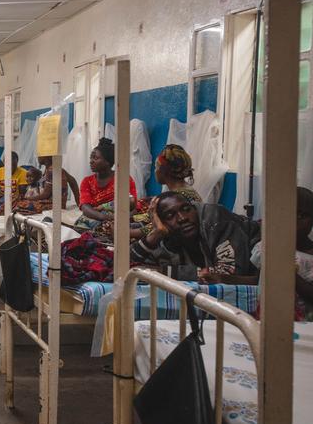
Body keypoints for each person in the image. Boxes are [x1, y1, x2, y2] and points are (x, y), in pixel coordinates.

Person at [131, 191, 260, 284]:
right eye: (170, 215)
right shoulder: (165, 236)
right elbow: (125, 268)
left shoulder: (215, 220)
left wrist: (165, 272)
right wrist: (156, 234)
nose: (182, 218)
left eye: (186, 209)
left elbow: (226, 274)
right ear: (161, 222)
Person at [251, 186, 313, 320]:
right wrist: (223, 279)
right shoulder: (267, 247)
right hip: (268, 318)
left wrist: (288, 272)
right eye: (291, 213)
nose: (296, 219)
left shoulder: (310, 256)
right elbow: (257, 281)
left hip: (303, 324)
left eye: (303, 215)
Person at [75, 137, 137, 230]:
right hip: (95, 217)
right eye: (91, 157)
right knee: (82, 227)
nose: (91, 161)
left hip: (119, 217)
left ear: (108, 162)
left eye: (95, 158)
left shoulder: (123, 179)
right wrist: (105, 218)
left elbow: (133, 204)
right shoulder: (87, 181)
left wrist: (121, 218)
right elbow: (85, 207)